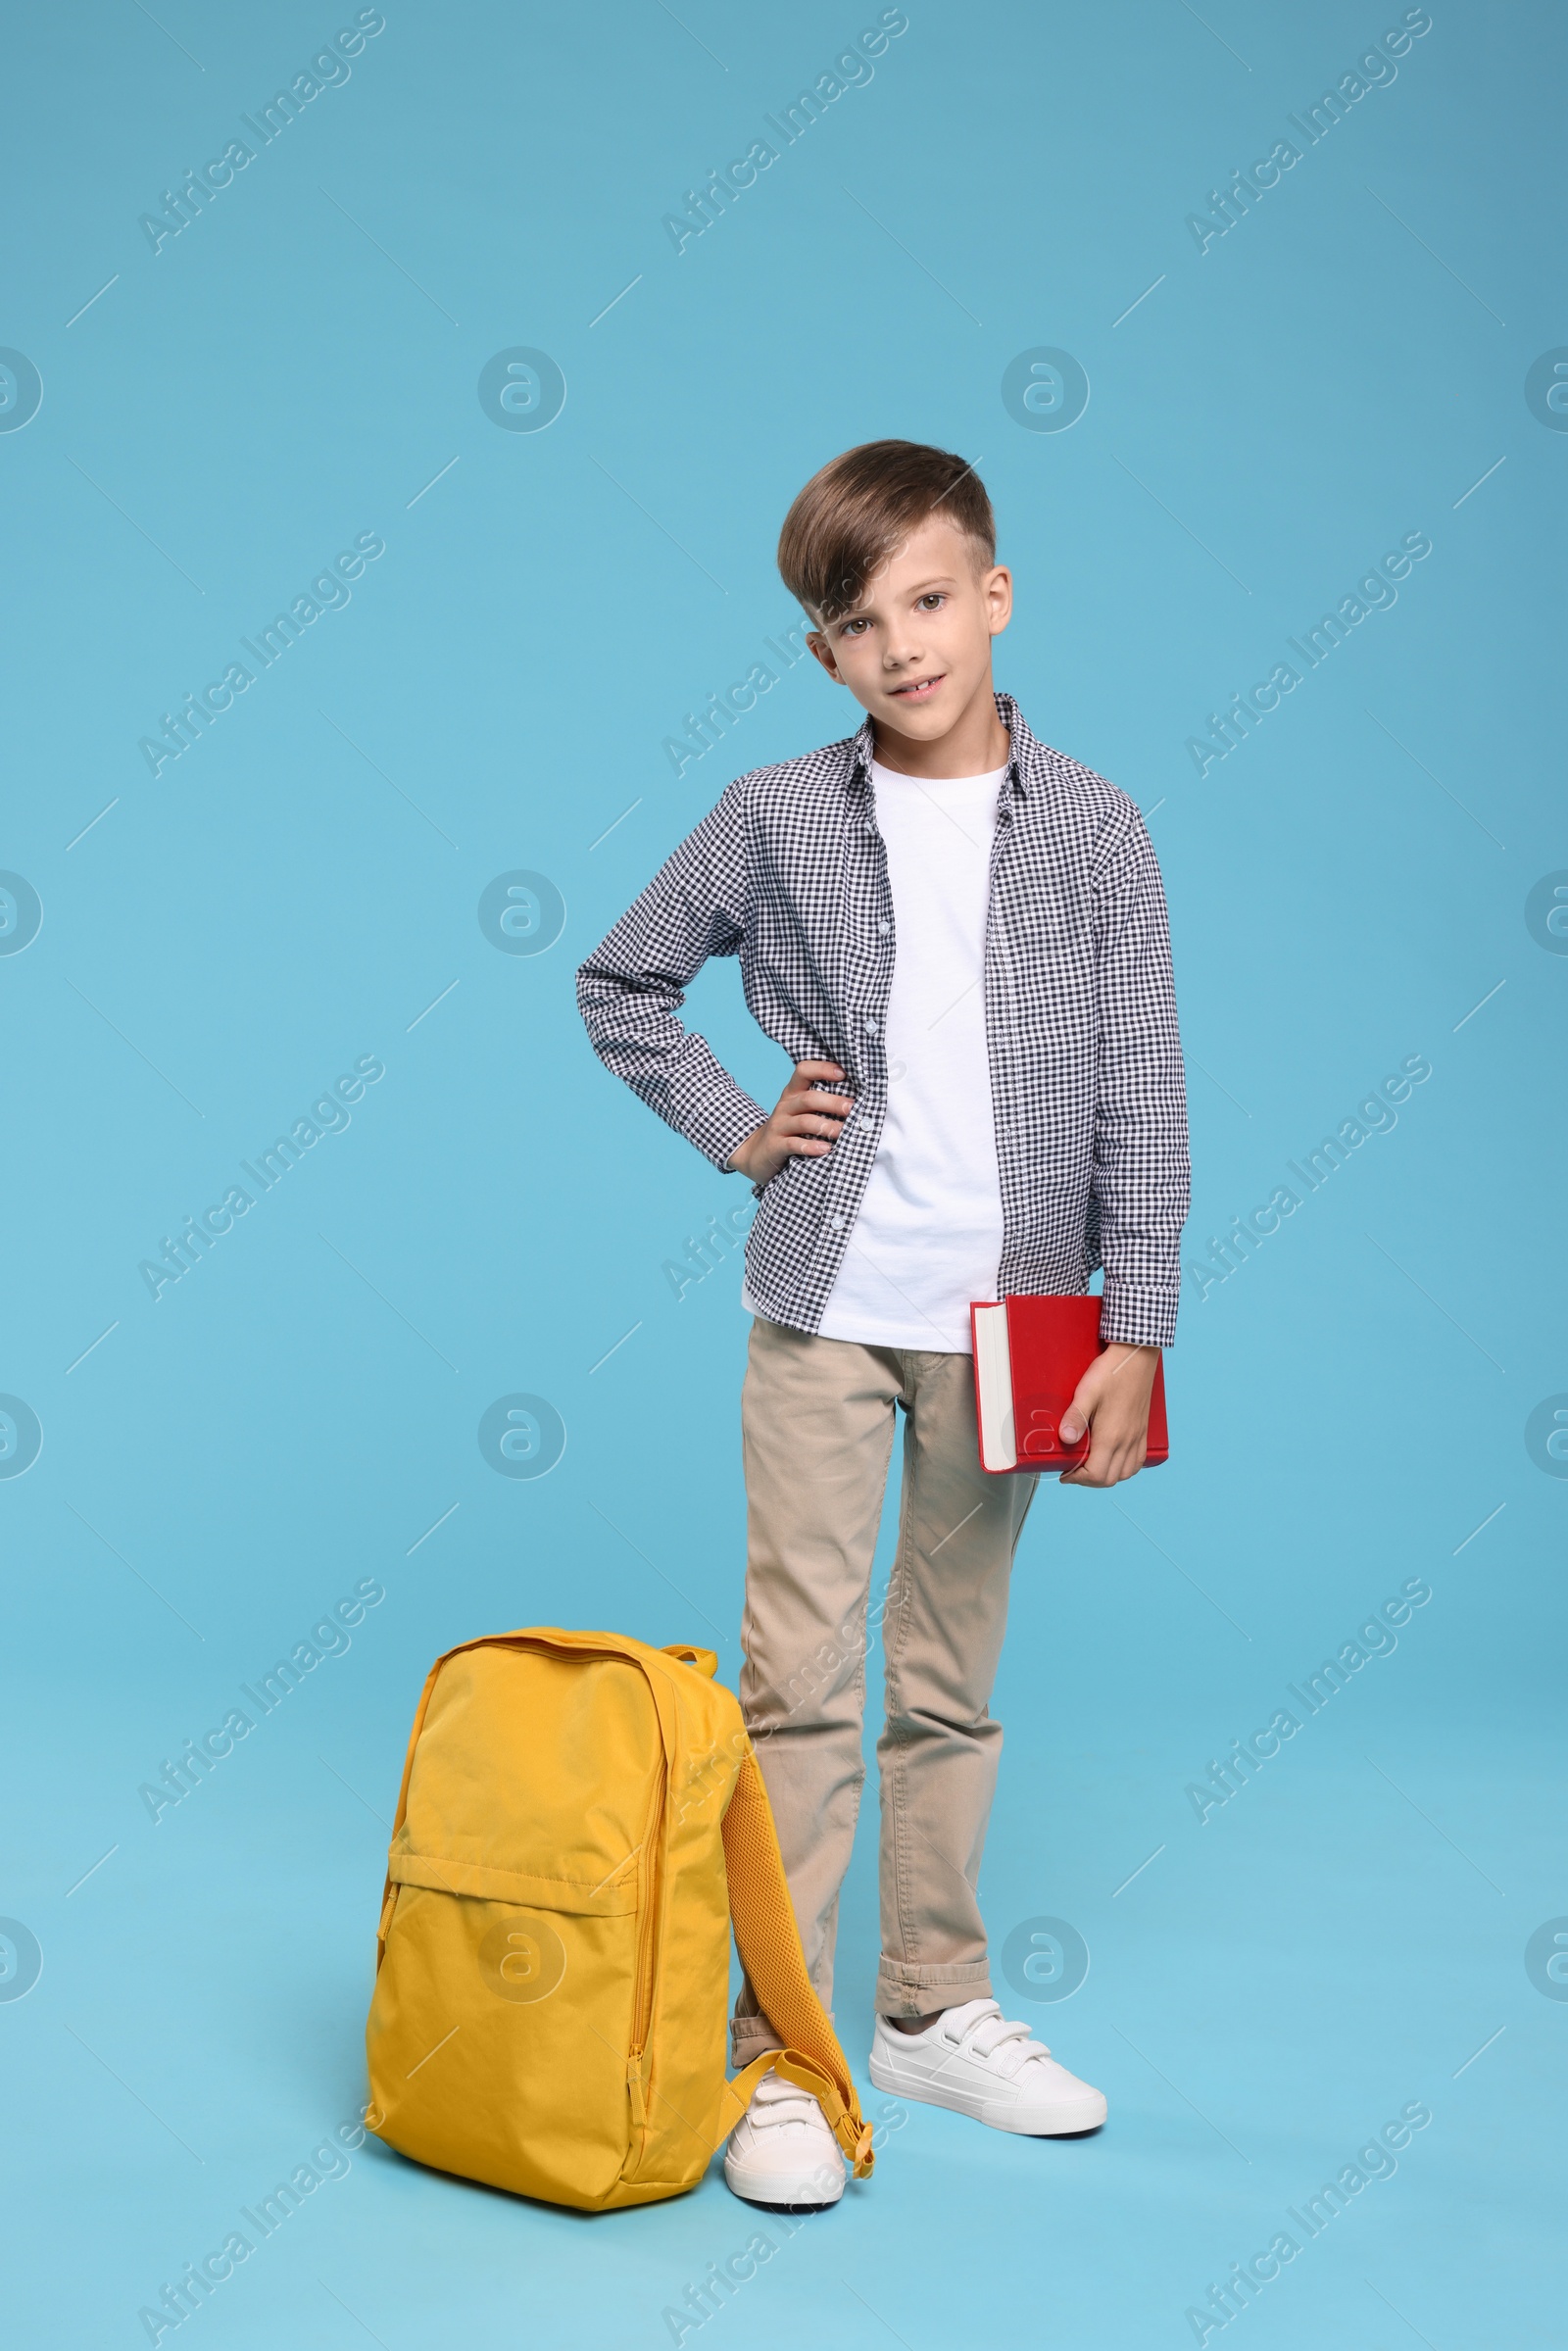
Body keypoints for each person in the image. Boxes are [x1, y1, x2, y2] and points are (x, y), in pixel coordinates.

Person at [577, 440, 1189, 2206]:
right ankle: (779, 2054)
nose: (903, 645)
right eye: (859, 623)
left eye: (930, 601)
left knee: (949, 1683)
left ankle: (929, 2006)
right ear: (825, 654)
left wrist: (1135, 1323)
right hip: (826, 1313)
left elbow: (1144, 1084)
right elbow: (623, 979)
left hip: (1018, 1325)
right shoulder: (778, 815)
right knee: (793, 1685)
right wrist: (739, 1126)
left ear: (993, 596)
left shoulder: (1095, 827)